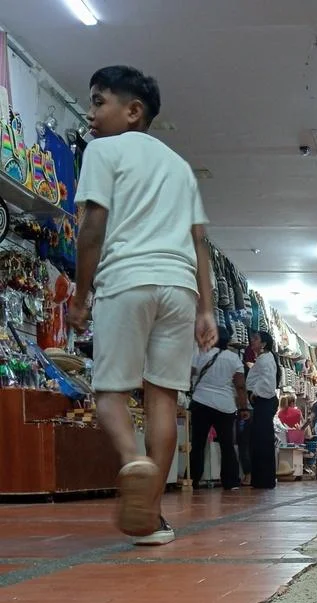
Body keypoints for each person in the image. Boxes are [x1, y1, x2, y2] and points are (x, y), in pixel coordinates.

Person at [69, 65, 217, 547]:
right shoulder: (179, 167)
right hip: (179, 289)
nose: (90, 114)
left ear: (133, 111)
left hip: (126, 279)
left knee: (111, 391)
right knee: (163, 398)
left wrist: (79, 294)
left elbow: (92, 226)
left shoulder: (103, 150)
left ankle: (133, 462)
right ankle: (153, 518)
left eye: (98, 102)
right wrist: (207, 310)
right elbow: (201, 245)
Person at [189, 327, 248, 491]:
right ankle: (231, 481)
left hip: (200, 402)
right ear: (227, 340)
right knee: (227, 445)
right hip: (225, 406)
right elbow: (240, 386)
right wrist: (244, 408)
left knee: (198, 444)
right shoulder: (233, 358)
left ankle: (193, 479)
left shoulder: (199, 353)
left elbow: (189, 374)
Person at [246, 329, 281, 489]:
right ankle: (263, 479)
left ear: (264, 343)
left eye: (256, 339)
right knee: (262, 440)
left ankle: (263, 479)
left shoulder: (265, 359)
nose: (252, 341)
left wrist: (255, 393)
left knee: (262, 441)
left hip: (263, 402)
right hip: (265, 402)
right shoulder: (265, 358)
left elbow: (268, 382)